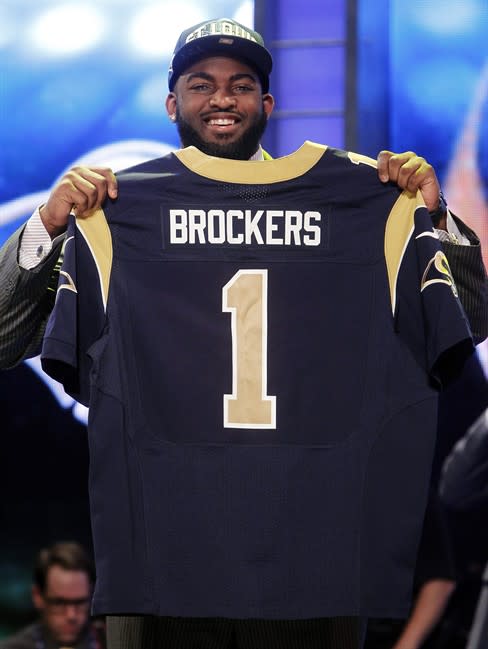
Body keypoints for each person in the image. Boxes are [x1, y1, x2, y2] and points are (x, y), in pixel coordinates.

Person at [0, 17, 485, 649]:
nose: (223, 98)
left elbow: (472, 320)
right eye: (202, 84)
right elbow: (5, 337)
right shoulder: (114, 210)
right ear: (172, 103)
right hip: (163, 571)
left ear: (268, 104)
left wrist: (432, 215)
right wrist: (47, 222)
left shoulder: (360, 205)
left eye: (242, 83)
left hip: (310, 572)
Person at [0, 542, 105, 649]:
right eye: (59, 603)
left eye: (80, 602)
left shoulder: (111, 640)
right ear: (37, 597)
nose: (71, 615)